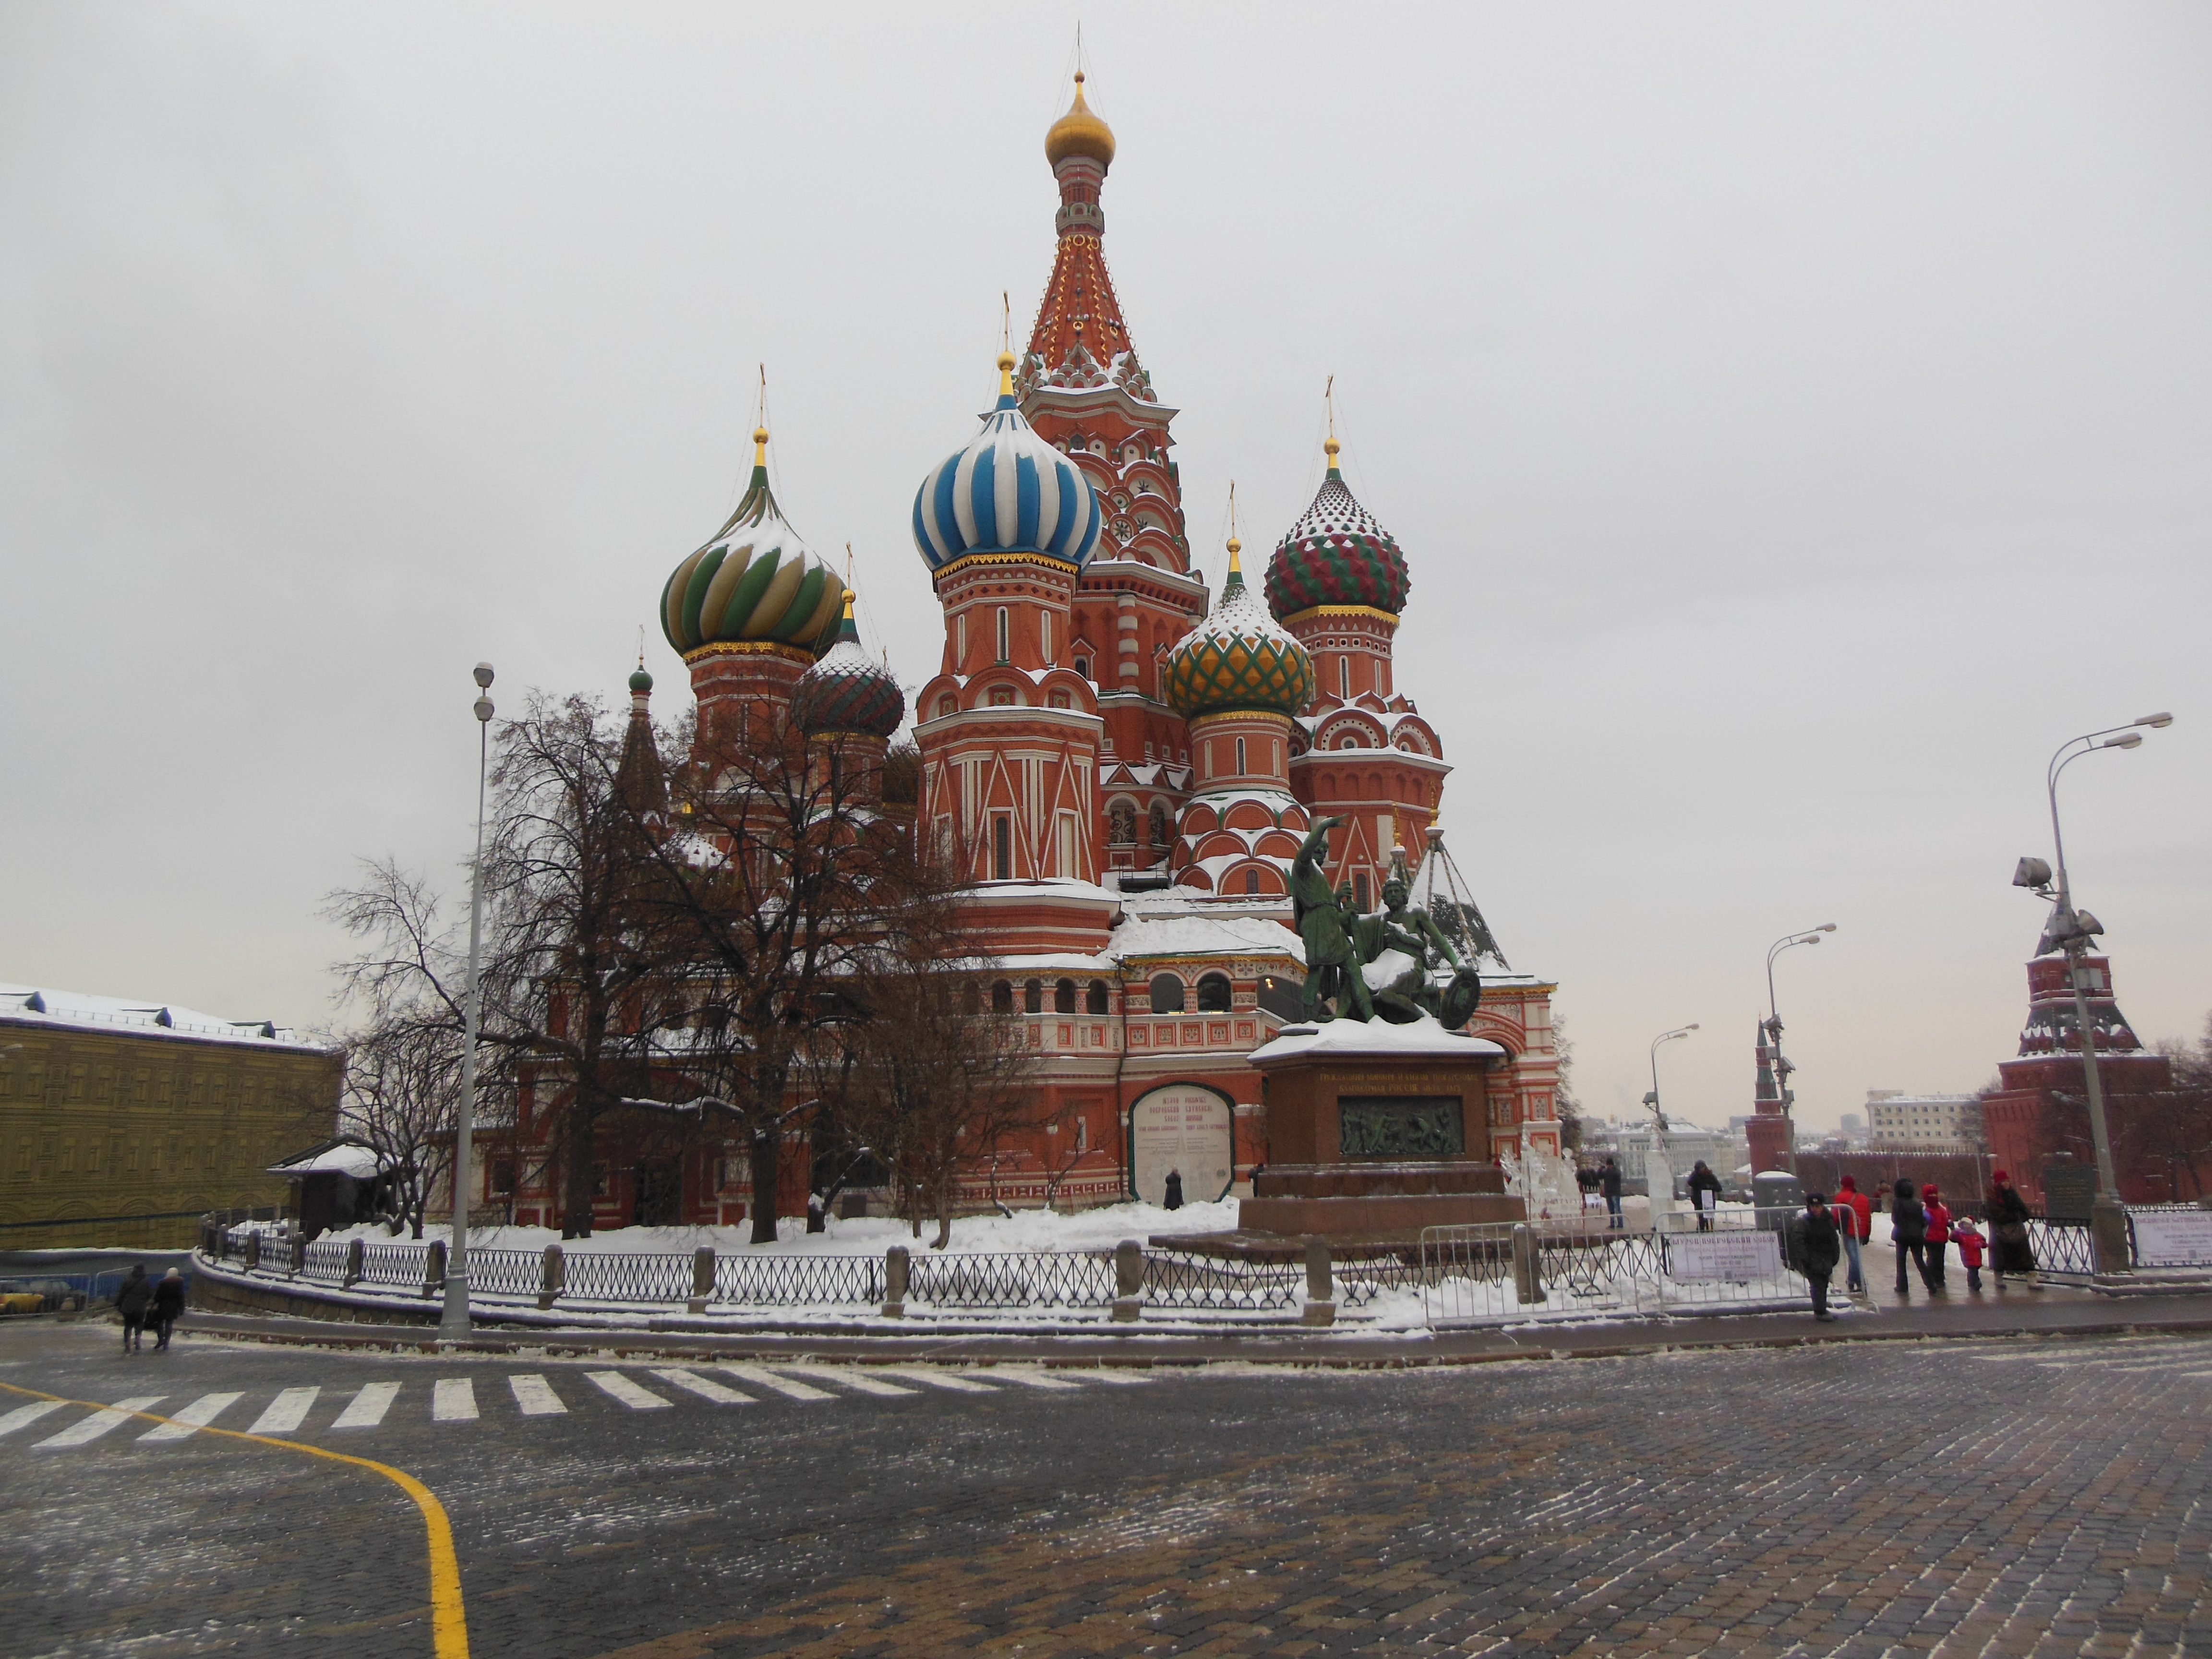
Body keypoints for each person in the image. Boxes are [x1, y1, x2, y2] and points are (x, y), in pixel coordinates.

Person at [1791, 1192, 1843, 1321]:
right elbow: (1799, 1241)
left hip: (1825, 1258)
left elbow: (1834, 1239)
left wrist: (1835, 1256)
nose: (1816, 1209)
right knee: (1817, 1284)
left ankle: (1822, 1309)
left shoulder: (1827, 1220)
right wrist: (1805, 1258)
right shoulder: (1804, 1222)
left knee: (1824, 1283)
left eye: (1818, 1206)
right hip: (1813, 1258)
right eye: (1813, 1206)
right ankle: (1820, 1311)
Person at [1989, 1169, 2036, 1281]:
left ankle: (2032, 1280)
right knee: (2001, 1258)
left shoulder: (2012, 1194)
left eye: (2007, 1181)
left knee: (2025, 1257)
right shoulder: (1993, 1196)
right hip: (2001, 1231)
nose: (2006, 1184)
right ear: (1998, 1184)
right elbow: (1996, 1213)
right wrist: (2014, 1215)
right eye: (2003, 1182)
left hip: (2017, 1230)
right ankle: (1999, 1278)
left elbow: (2023, 1210)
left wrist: (2020, 1215)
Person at [1891, 1178, 1935, 1297]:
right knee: (1919, 1260)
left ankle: (1902, 1286)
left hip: (1902, 1236)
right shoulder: (1917, 1203)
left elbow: (1896, 1219)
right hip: (1917, 1236)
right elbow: (1923, 1220)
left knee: (1901, 1262)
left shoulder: (1898, 1202)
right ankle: (1931, 1285)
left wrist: (1903, 1227)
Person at [1834, 1176, 1873, 1294]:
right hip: (1861, 1230)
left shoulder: (1841, 1196)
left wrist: (1835, 1225)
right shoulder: (1864, 1198)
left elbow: (1836, 1214)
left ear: (1843, 1185)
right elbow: (1868, 1217)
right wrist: (1868, 1232)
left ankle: (1861, 1282)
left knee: (1854, 1257)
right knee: (1854, 1255)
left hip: (1848, 1230)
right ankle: (1851, 1281)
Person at [115, 1263, 152, 1353]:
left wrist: (119, 1304)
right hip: (140, 1307)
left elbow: (122, 1294)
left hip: (128, 1307)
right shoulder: (146, 1281)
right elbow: (150, 1294)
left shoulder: (127, 1280)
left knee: (128, 1325)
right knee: (139, 1324)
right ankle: (137, 1339)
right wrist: (143, 1300)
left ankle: (127, 1343)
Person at [1922, 1182, 1952, 1291]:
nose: (1933, 1197)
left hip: (1939, 1238)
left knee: (1938, 1259)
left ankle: (1937, 1279)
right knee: (1935, 1259)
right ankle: (1936, 1279)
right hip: (1932, 1238)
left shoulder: (1939, 1208)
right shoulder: (1938, 1208)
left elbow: (1948, 1218)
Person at [150, 1266, 186, 1350]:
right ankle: (166, 1343)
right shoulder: (180, 1284)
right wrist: (182, 1308)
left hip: (163, 1306)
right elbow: (181, 1297)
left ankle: (161, 1339)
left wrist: (154, 1303)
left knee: (159, 1323)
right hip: (174, 1307)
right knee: (169, 1324)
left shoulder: (163, 1283)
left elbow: (158, 1296)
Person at [1952, 1215, 1987, 1293]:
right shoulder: (1961, 1235)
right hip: (1967, 1255)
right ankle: (1974, 1284)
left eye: (1967, 1224)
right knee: (1972, 1270)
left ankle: (1974, 1283)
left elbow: (1984, 1243)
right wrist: (1954, 1232)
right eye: (1964, 1225)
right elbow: (1952, 1239)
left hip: (1977, 1256)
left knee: (1975, 1270)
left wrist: (1981, 1244)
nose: (1966, 1226)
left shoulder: (1977, 1235)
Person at [1687, 1161, 1723, 1231]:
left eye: (1702, 1168)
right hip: (1699, 1201)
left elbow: (1719, 1188)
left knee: (1710, 1220)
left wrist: (1709, 1187)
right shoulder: (1695, 1177)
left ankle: (1710, 1232)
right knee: (1701, 1220)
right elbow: (1690, 1182)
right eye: (1699, 1169)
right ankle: (1701, 1233)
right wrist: (1696, 1174)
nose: (1701, 1170)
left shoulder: (1710, 1176)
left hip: (1709, 1201)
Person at [1600, 1156, 1624, 1229]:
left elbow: (1617, 1175)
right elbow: (1599, 1176)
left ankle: (1620, 1224)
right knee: (1611, 1210)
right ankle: (1612, 1224)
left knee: (1617, 1209)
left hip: (1615, 1193)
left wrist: (1609, 1170)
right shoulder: (1606, 1172)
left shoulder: (1616, 1171)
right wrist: (1601, 1169)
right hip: (1609, 1193)